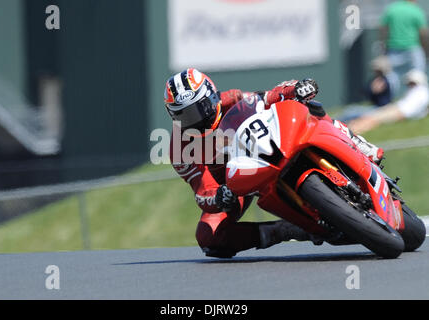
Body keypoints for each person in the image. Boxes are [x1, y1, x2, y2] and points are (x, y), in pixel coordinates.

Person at [164, 68, 384, 259]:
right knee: (209, 236)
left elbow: (270, 98)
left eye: (196, 110)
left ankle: (353, 140)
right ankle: (286, 230)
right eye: (182, 116)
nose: (192, 121)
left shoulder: (233, 99)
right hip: (234, 185)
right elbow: (203, 190)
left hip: (263, 150)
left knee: (309, 106)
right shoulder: (179, 149)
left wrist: (296, 88)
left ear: (212, 97)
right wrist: (219, 196)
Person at [348, 69, 429, 134]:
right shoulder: (419, 92)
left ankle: (352, 130)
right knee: (372, 115)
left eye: (411, 82)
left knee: (374, 118)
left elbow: (412, 109)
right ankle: (350, 128)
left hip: (400, 112)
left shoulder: (421, 91)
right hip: (398, 109)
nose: (409, 85)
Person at [380, 0, 429, 96]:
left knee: (393, 77)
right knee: (418, 75)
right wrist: (426, 49)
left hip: (393, 47)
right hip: (413, 47)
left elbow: (383, 29)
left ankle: (390, 100)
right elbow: (423, 32)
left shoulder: (391, 9)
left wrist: (384, 46)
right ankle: (418, 100)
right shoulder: (416, 10)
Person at [338, 56, 398, 123]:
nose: (374, 70)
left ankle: (334, 122)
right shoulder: (377, 79)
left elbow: (375, 90)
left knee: (352, 112)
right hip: (377, 107)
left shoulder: (383, 80)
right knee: (351, 110)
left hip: (382, 109)